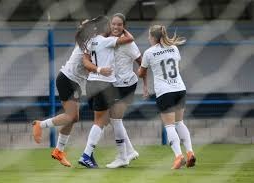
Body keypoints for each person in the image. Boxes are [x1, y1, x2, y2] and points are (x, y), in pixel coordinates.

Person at [32, 20, 111, 167]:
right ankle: (40, 125)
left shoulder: (88, 40)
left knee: (73, 119)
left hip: (74, 82)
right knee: (71, 116)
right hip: (68, 79)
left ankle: (58, 151)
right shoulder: (89, 42)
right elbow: (88, 65)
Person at [75, 15, 134, 168]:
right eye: (110, 25)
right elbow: (129, 38)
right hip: (105, 84)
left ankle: (126, 152)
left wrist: (98, 69)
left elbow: (85, 62)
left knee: (105, 120)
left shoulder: (90, 41)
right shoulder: (106, 41)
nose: (112, 27)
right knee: (103, 121)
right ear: (105, 27)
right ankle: (87, 155)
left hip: (91, 83)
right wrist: (122, 28)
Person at [138, 25, 196, 169]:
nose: (148, 39)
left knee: (169, 126)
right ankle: (190, 152)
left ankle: (179, 156)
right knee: (180, 123)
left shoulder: (149, 52)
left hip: (165, 91)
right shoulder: (174, 48)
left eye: (149, 36)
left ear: (153, 37)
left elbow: (141, 72)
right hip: (180, 88)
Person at [105, 13, 148, 169]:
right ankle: (130, 151)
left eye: (119, 24)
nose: (116, 27)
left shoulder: (129, 44)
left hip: (127, 85)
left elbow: (142, 63)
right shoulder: (108, 41)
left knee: (115, 119)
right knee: (114, 120)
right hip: (114, 85)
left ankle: (123, 157)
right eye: (113, 24)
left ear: (124, 26)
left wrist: (145, 84)